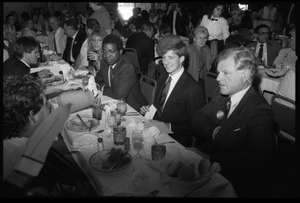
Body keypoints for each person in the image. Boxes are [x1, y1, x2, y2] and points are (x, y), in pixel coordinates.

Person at [190, 47, 276, 197]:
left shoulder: (259, 110)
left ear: (246, 74)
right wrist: (217, 133)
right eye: (218, 72)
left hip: (237, 180)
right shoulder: (222, 93)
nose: (217, 78)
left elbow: (259, 159)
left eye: (225, 73)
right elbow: (197, 118)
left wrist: (210, 159)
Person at [140, 34, 205, 147]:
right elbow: (161, 105)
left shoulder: (193, 89)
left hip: (174, 141)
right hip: (154, 130)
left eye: (171, 58)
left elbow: (196, 127)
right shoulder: (164, 77)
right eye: (164, 57)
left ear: (181, 59)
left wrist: (165, 127)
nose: (165, 62)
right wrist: (150, 109)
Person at [95, 34, 148, 112]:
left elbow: (118, 95)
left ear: (120, 52)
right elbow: (97, 78)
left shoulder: (127, 67)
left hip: (132, 109)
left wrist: (103, 87)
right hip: (112, 104)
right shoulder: (105, 61)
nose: (107, 55)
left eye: (111, 51)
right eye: (104, 51)